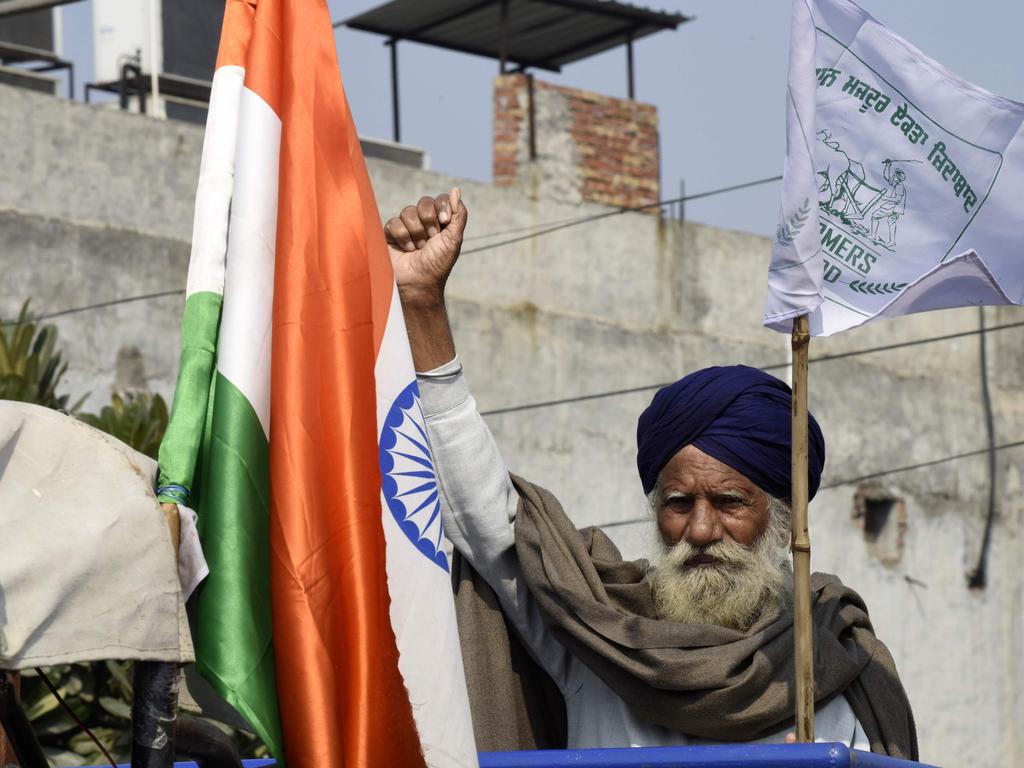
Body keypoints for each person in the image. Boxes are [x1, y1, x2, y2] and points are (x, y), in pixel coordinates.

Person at [384, 189, 917, 759]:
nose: (702, 530)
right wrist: (421, 304)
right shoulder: (601, 632)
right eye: (679, 503)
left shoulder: (836, 657)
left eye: (731, 502)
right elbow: (486, 519)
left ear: (785, 521)